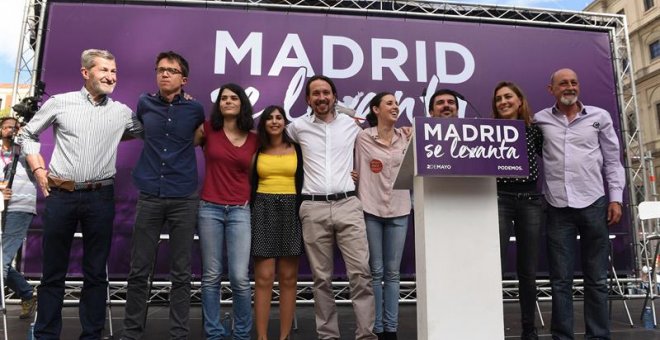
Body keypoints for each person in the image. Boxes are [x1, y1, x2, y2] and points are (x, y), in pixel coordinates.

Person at [16, 49, 143, 340]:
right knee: (53, 273)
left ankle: (92, 335)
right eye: (104, 70)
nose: (111, 76)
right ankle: (47, 334)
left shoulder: (122, 112)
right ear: (86, 73)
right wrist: (38, 170)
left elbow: (152, 131)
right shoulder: (60, 103)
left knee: (96, 273)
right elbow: (26, 134)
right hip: (61, 195)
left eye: (114, 72)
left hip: (101, 198)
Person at [534, 68, 625, 340]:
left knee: (596, 278)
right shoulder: (540, 120)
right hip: (557, 207)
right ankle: (563, 336)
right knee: (560, 281)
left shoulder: (600, 117)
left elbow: (612, 160)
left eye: (574, 82)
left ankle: (598, 336)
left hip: (594, 203)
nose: (569, 87)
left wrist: (616, 199)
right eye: (563, 83)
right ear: (551, 89)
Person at [287, 75, 377, 340]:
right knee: (321, 279)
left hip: (348, 204)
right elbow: (272, 139)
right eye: (315, 93)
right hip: (313, 208)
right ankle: (328, 336)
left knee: (361, 273)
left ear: (334, 96)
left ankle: (366, 335)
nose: (321, 98)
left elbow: (380, 132)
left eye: (326, 93)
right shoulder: (297, 127)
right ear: (308, 99)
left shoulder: (351, 123)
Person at [122, 51, 204, 340]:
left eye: (171, 70)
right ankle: (132, 332)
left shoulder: (196, 110)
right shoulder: (144, 103)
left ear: (184, 79)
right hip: (150, 194)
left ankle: (179, 334)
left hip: (184, 195)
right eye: (160, 70)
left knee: (181, 272)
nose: (164, 74)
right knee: (139, 269)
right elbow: (134, 131)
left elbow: (204, 138)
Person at [195, 83, 258, 340]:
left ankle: (242, 333)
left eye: (233, 98)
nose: (228, 101)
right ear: (218, 104)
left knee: (240, 278)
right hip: (209, 208)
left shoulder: (255, 138)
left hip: (240, 211)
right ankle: (213, 333)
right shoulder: (207, 129)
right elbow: (180, 149)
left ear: (242, 103)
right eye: (223, 98)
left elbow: (256, 176)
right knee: (211, 276)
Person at [354, 92, 411, 340]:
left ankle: (391, 329)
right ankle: (375, 328)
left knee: (393, 273)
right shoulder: (362, 137)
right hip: (371, 209)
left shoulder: (408, 137)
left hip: (399, 209)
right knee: (374, 272)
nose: (395, 107)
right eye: (389, 103)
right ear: (376, 110)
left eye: (397, 103)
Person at [492, 82, 543, 340]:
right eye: (499, 98)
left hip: (531, 200)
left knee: (528, 269)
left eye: (508, 96)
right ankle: (492, 326)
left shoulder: (534, 130)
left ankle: (529, 329)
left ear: (519, 101)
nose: (503, 101)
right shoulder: (487, 131)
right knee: (494, 266)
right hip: (499, 200)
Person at [250, 105, 304, 340]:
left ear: (285, 122)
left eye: (279, 117)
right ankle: (261, 337)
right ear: (263, 123)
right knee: (263, 278)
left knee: (289, 278)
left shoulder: (298, 148)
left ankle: (284, 337)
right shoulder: (256, 148)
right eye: (269, 118)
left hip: (292, 209)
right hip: (262, 208)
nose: (274, 121)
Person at [0, 117, 37, 319]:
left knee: (1, 259)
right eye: (5, 127)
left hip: (20, 206)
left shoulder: (26, 150)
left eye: (13, 128)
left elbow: (37, 166)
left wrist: (22, 137)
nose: (9, 131)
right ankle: (26, 293)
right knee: (1, 260)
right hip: (0, 207)